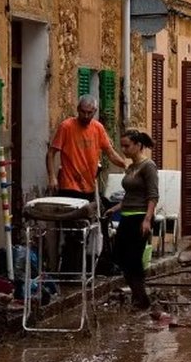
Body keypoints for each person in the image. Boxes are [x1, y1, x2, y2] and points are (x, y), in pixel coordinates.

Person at [104, 130, 158, 310]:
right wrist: (115, 208)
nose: (124, 150)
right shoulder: (131, 167)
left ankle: (141, 300)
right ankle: (139, 296)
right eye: (123, 146)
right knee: (120, 255)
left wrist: (147, 219)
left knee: (134, 259)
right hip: (127, 216)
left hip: (140, 218)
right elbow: (129, 195)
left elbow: (152, 195)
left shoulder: (148, 166)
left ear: (138, 145)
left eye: (127, 146)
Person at [46, 95, 127, 199]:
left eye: (90, 113)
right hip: (69, 184)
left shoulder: (98, 128)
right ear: (78, 109)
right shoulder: (66, 126)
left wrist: (125, 165)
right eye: (83, 112)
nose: (86, 116)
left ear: (95, 111)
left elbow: (111, 153)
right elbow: (51, 153)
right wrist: (52, 177)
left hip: (89, 185)